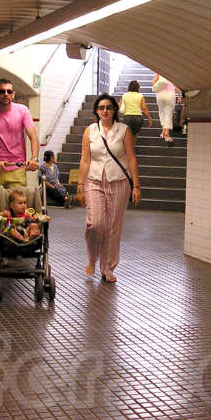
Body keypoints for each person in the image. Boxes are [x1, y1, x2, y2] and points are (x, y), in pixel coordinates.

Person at [76, 93, 141, 283]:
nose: (105, 111)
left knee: (113, 227)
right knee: (95, 224)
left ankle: (108, 268)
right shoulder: (90, 131)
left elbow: (131, 158)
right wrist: (80, 186)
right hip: (94, 180)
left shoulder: (124, 130)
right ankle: (92, 258)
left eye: (108, 107)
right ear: (96, 111)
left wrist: (136, 185)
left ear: (114, 110)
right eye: (101, 108)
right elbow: (85, 159)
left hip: (119, 181)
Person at [0, 78, 40, 207]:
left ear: (13, 94)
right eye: (2, 91)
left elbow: (33, 137)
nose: (5, 94)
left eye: (9, 91)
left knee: (19, 207)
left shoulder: (23, 111)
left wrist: (34, 158)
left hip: (17, 167)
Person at [152, 73, 181, 144]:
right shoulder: (172, 72)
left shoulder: (158, 72)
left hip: (160, 94)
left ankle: (163, 131)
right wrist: (179, 96)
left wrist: (159, 86)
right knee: (169, 113)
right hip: (170, 93)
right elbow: (176, 86)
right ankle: (167, 133)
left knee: (161, 112)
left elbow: (153, 82)